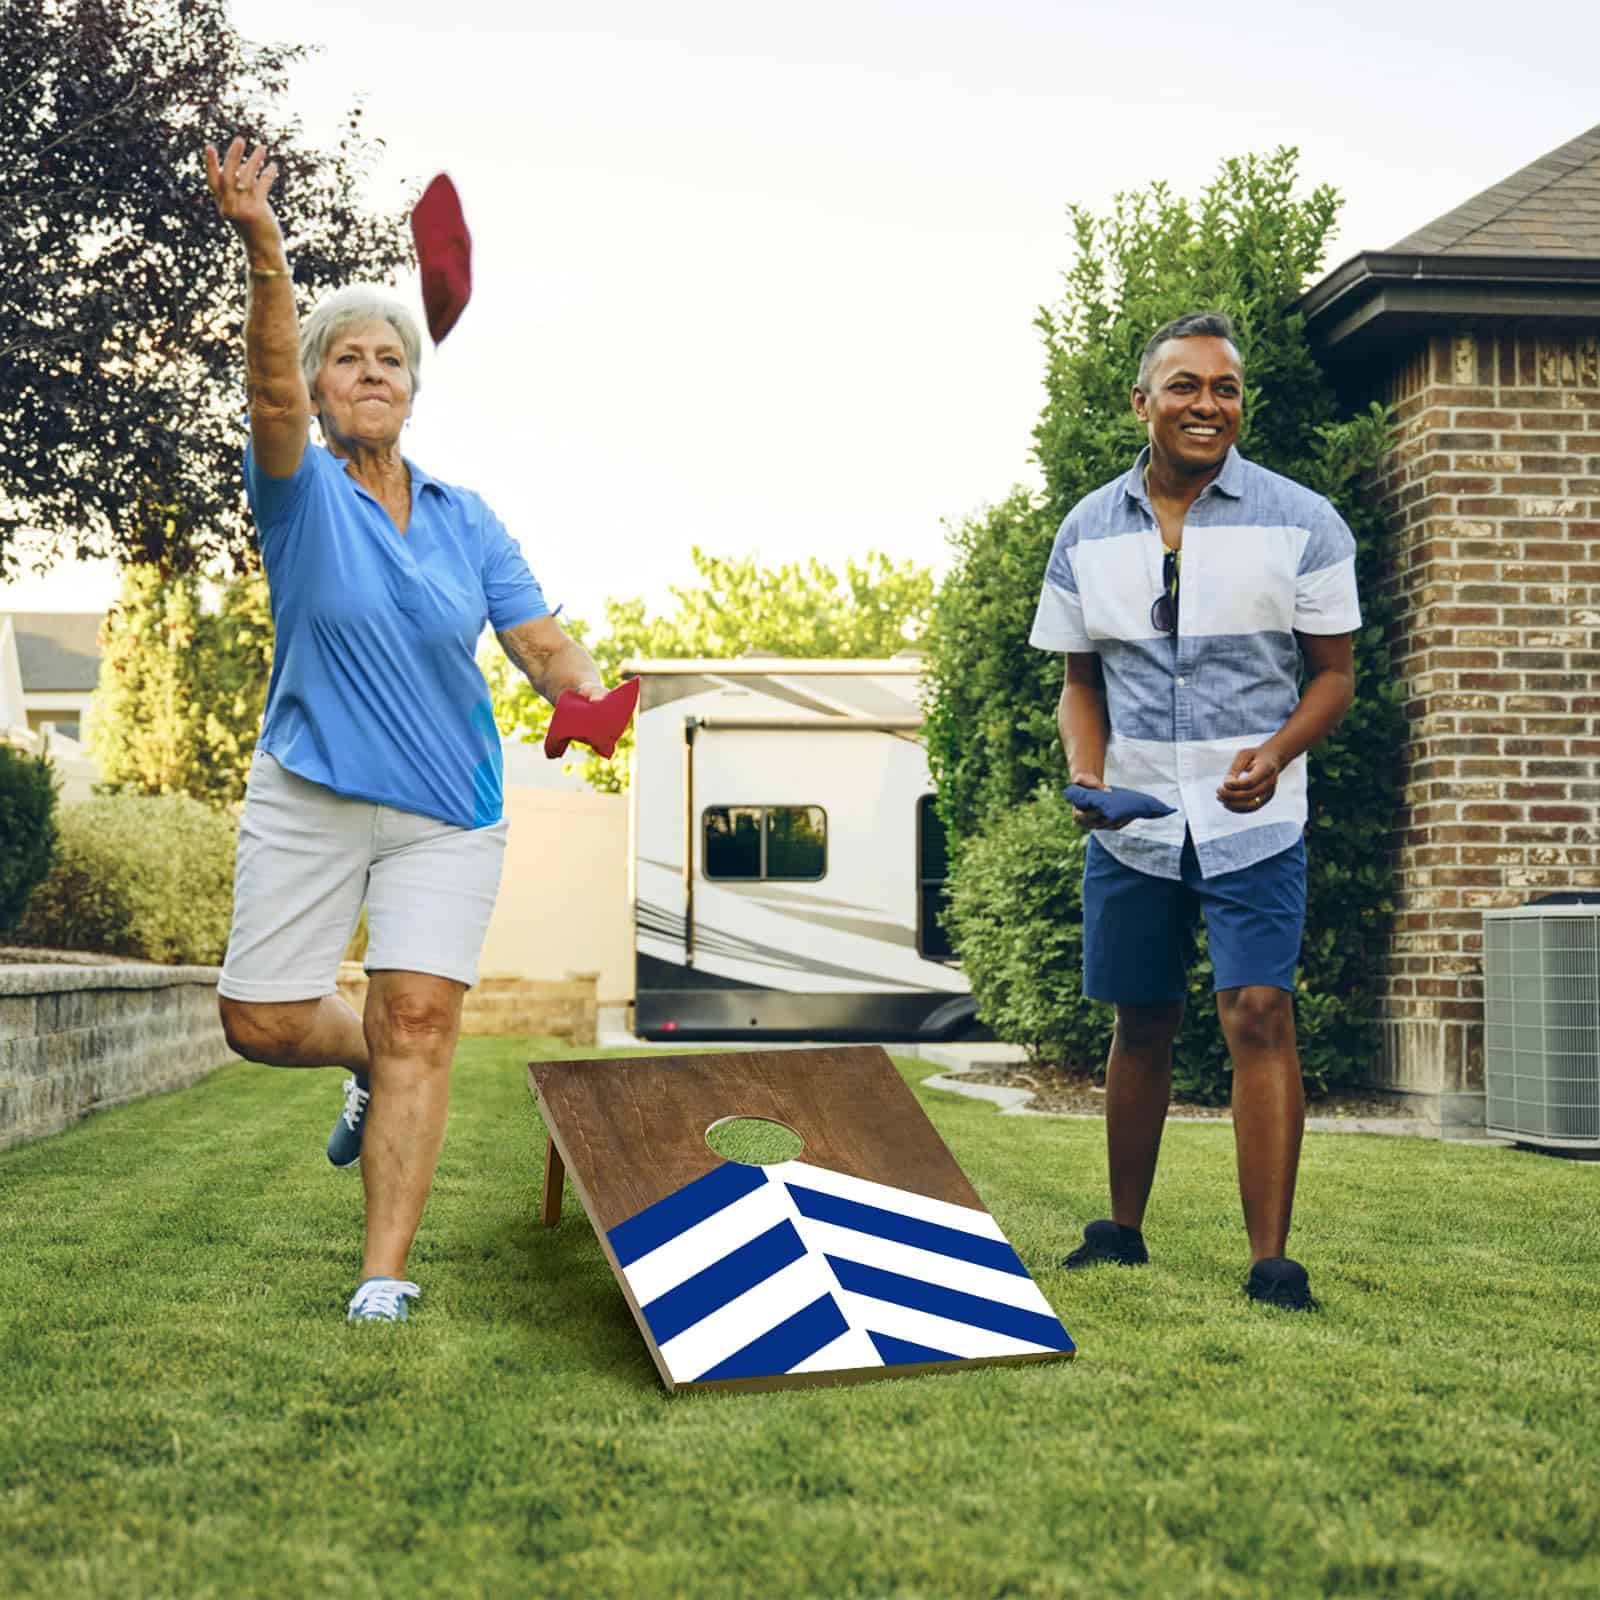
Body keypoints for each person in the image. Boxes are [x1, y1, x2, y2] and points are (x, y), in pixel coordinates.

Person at [204, 137, 610, 1324]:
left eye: (391, 358)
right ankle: (359, 1062)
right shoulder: (297, 487)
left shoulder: (465, 516)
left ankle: (383, 1271)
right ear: (322, 391)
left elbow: (539, 637)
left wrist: (575, 693)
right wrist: (265, 249)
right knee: (260, 1018)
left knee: (422, 1018)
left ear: (413, 389)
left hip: (446, 805)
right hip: (313, 785)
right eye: (348, 359)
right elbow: (265, 391)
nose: (370, 372)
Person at [1029, 310, 1360, 1312]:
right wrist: (1086, 772)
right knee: (1143, 1019)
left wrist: (1274, 752)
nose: (1205, 405)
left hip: (1252, 814)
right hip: (1130, 820)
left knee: (1257, 1010)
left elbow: (1335, 678)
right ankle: (1120, 1232)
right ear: (1142, 402)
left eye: (1223, 388)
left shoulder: (1304, 522)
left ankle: (1271, 1262)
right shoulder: (1086, 528)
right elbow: (1078, 681)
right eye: (1183, 386)